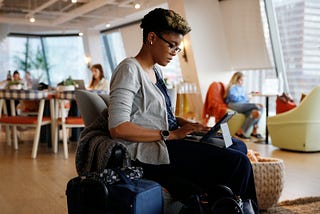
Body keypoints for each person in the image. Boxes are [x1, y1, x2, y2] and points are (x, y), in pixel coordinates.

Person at [108, 8, 258, 212]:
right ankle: (233, 207)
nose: (174, 53)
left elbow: (154, 113)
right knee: (238, 163)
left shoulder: (155, 71)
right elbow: (118, 128)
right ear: (151, 37)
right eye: (171, 46)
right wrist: (171, 134)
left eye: (177, 48)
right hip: (151, 151)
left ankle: (220, 203)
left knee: (238, 146)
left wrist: (183, 123)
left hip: (169, 141)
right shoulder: (129, 69)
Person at [224, 71, 264, 140]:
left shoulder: (242, 88)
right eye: (242, 80)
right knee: (257, 106)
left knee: (257, 112)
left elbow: (244, 100)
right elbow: (234, 98)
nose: (243, 82)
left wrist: (248, 98)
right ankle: (254, 130)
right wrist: (246, 97)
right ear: (238, 79)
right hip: (233, 104)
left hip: (242, 105)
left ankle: (242, 132)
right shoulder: (232, 87)